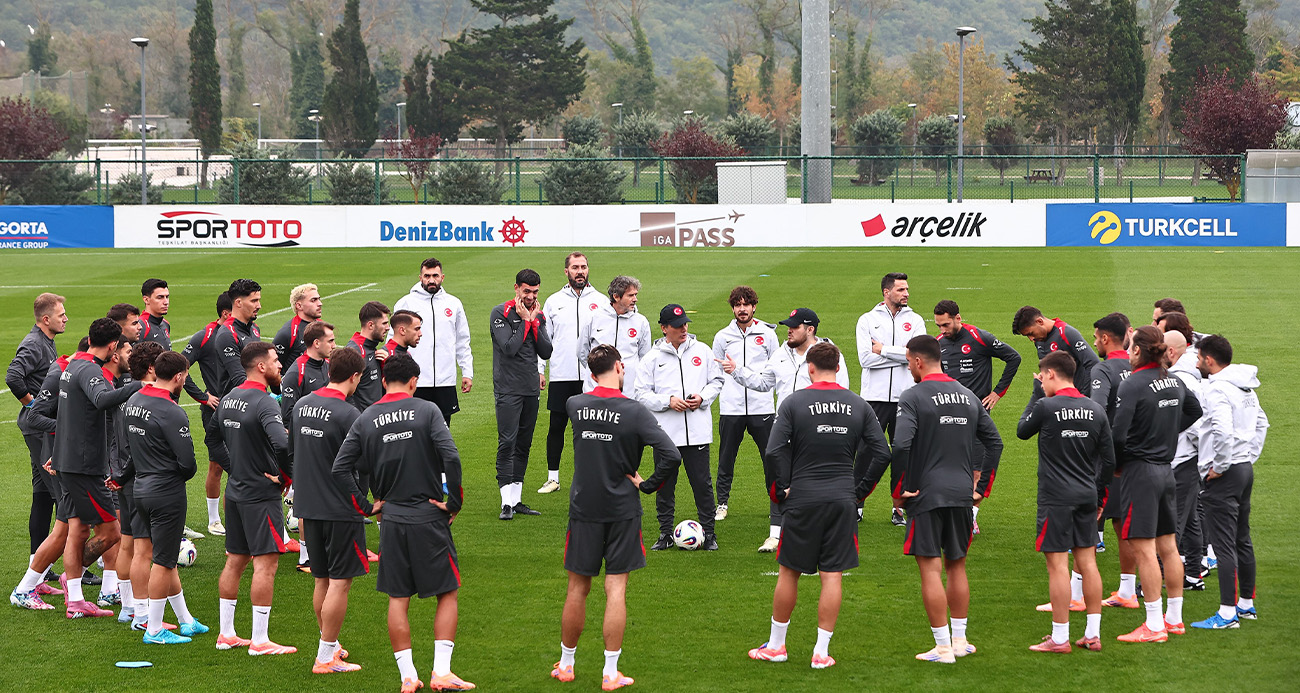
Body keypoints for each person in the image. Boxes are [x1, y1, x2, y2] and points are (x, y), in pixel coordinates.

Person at [332, 353, 472, 692]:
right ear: (414, 382)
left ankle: (408, 676)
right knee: (447, 592)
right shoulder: (427, 410)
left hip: (391, 519)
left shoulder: (366, 417)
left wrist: (367, 507)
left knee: (398, 598)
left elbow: (340, 468)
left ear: (382, 381)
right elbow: (451, 456)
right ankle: (441, 672)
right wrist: (454, 502)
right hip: (428, 517)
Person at [747, 342, 890, 669]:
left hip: (802, 498)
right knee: (832, 575)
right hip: (841, 499)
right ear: (838, 368)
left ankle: (777, 647)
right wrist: (859, 492)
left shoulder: (793, 402)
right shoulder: (859, 405)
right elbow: (882, 453)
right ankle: (821, 652)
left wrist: (780, 489)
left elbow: (772, 451)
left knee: (789, 572)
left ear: (810, 368)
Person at [861, 335, 1002, 664]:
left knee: (930, 570)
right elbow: (995, 443)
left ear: (918, 361)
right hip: (961, 495)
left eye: (909, 362)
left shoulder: (913, 396)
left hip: (925, 494)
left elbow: (901, 445)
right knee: (957, 566)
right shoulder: (968, 396)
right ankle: (961, 640)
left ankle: (941, 648)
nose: (909, 368)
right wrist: (981, 490)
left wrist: (900, 489)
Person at [551, 345, 681, 690]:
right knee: (616, 589)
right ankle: (610, 673)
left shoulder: (575, 405)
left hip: (584, 508)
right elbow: (670, 455)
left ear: (592, 374)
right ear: (620, 367)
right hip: (623, 509)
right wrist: (648, 485)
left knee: (577, 588)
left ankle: (566, 665)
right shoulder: (635, 412)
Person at [723, 307, 849, 552]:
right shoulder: (782, 353)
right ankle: (775, 534)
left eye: (794, 327)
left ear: (810, 329)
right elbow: (763, 382)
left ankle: (819, 530)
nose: (788, 331)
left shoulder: (828, 355)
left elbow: (841, 391)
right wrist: (736, 371)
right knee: (779, 477)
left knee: (815, 480)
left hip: (816, 430)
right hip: (784, 427)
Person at [1016, 351, 1114, 653]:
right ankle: (1093, 634)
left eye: (1041, 377)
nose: (1041, 382)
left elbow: (1022, 431)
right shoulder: (1095, 409)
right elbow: (1108, 461)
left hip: (1056, 498)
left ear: (1052, 374)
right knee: (1087, 562)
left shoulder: (1046, 406)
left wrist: (1035, 396)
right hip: (1086, 495)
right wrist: (1099, 497)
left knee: (1058, 565)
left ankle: (1060, 638)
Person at [1109, 326, 1202, 643]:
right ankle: (1173, 619)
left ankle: (1153, 625)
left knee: (1144, 549)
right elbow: (1194, 410)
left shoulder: (1132, 384)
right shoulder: (1172, 379)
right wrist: (1164, 431)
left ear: (1136, 351)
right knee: (1167, 545)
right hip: (1166, 470)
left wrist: (1117, 465)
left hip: (1141, 472)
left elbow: (1118, 436)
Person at [209, 341, 295, 655]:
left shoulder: (230, 398)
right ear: (261, 366)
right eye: (275, 361)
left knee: (235, 561)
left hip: (236, 493)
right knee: (265, 566)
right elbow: (282, 445)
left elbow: (212, 438)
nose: (280, 366)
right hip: (260, 496)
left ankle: (227, 634)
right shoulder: (264, 402)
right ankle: (259, 640)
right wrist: (286, 477)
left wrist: (236, 468)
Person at [53, 317, 142, 618]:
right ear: (113, 345)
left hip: (69, 460)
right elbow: (102, 399)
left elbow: (67, 413)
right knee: (112, 531)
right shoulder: (90, 369)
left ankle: (76, 599)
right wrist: (139, 385)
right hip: (84, 465)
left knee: (77, 527)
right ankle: (72, 578)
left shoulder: (73, 364)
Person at [123, 350, 207, 644]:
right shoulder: (172, 410)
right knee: (163, 560)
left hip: (140, 489)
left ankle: (185, 620)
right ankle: (155, 629)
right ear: (180, 376)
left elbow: (132, 450)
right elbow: (188, 464)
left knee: (159, 556)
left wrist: (123, 476)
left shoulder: (133, 401)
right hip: (166, 493)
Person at [288, 347, 365, 672]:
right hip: (339, 508)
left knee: (321, 579)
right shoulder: (350, 414)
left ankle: (329, 643)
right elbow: (361, 464)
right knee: (339, 582)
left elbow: (292, 450)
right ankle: (324, 657)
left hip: (308, 505)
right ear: (355, 376)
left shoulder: (303, 405)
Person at [1191, 335, 1268, 630]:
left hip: (1225, 473)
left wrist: (1219, 466)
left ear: (1210, 360)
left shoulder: (1217, 390)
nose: (1197, 363)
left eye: (1199, 358)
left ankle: (1226, 614)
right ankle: (1246, 605)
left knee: (1223, 544)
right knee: (1241, 539)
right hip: (1244, 468)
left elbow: (1222, 432)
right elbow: (1261, 422)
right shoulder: (1245, 385)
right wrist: (1248, 456)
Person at [634, 304, 724, 551]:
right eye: (677, 326)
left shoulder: (703, 351)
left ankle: (710, 534)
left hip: (697, 433)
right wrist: (667, 402)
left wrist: (702, 398)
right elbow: (641, 393)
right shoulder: (651, 358)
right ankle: (665, 534)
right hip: (665, 437)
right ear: (664, 328)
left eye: (685, 324)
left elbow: (716, 380)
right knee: (664, 487)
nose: (683, 328)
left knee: (702, 485)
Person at [934, 299, 1021, 534]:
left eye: (945, 325)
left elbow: (1014, 357)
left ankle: (970, 517)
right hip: (949, 415)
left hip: (977, 416)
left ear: (957, 318)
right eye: (938, 326)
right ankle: (952, 511)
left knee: (976, 469)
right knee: (950, 465)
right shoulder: (939, 344)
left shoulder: (979, 337)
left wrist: (997, 392)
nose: (942, 331)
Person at [856, 272, 926, 526]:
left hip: (906, 399)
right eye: (901, 290)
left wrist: (883, 349)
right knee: (865, 452)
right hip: (873, 399)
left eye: (907, 289)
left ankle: (899, 508)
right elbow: (865, 359)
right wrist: (903, 356)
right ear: (887, 292)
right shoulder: (867, 320)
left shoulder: (916, 320)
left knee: (903, 453)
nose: (906, 293)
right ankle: (856, 503)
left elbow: (918, 356)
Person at [540, 252, 608, 494]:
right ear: (566, 271)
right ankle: (553, 478)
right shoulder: (553, 301)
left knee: (592, 429)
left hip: (593, 376)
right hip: (562, 373)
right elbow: (543, 340)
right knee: (556, 426)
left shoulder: (601, 300)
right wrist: (541, 370)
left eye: (584, 267)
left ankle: (592, 478)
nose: (580, 271)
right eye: (575, 267)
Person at [711, 286, 778, 527]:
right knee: (726, 457)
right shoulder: (722, 336)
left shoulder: (768, 335)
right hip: (732, 407)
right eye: (737, 305)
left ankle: (776, 504)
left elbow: (774, 368)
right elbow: (716, 369)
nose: (742, 309)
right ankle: (722, 503)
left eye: (746, 304)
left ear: (754, 306)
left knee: (770, 457)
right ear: (732, 308)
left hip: (762, 406)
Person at [7, 292, 65, 569]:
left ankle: (39, 566)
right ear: (46, 319)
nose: (65, 318)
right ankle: (77, 569)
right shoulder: (34, 344)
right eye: (61, 315)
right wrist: (32, 407)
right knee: (62, 495)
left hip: (37, 428)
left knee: (42, 495)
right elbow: (13, 376)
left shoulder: (45, 342)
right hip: (39, 429)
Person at [490, 269, 553, 520]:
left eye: (535, 292)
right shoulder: (500, 313)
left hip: (529, 388)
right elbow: (508, 348)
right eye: (526, 291)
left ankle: (516, 500)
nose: (530, 296)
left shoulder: (539, 315)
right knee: (507, 442)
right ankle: (505, 503)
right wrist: (526, 321)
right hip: (507, 388)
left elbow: (546, 351)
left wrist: (535, 322)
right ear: (516, 288)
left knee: (524, 444)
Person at [1089, 313, 1138, 608]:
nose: (1094, 342)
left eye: (1096, 337)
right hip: (1135, 455)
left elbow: (1096, 409)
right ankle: (1127, 590)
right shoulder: (1139, 368)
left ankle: (1080, 595)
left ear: (1106, 339)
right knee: (1122, 525)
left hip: (1105, 456)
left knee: (1086, 521)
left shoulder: (1103, 369)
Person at [281, 320, 337, 573]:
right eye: (331, 341)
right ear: (316, 343)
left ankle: (322, 547)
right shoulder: (297, 372)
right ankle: (305, 556)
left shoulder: (327, 365)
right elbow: (288, 414)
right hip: (306, 445)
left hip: (326, 443)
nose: (334, 345)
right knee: (307, 502)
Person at [392, 257, 473, 427]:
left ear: (442, 277)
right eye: (427, 276)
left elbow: (462, 340)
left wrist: (467, 372)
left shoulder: (454, 303)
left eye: (435, 276)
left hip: (446, 380)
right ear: (420, 277)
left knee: (442, 429)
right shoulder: (405, 303)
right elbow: (393, 341)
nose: (431, 280)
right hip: (415, 380)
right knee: (414, 429)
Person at [181, 292, 235, 536]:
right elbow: (179, 365)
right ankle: (214, 520)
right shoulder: (205, 337)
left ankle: (238, 517)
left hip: (242, 408)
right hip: (215, 409)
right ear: (226, 313)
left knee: (244, 460)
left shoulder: (246, 332)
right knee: (217, 464)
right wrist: (203, 397)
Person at [1164, 331, 1207, 590]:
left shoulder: (1180, 379)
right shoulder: (1188, 373)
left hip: (1181, 460)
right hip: (1187, 459)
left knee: (1172, 525)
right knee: (1190, 519)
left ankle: (1155, 581)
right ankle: (1193, 574)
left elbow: (1196, 424)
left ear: (1170, 352)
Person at [577, 276, 651, 395]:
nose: (635, 299)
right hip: (595, 390)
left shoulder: (641, 322)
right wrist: (600, 370)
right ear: (616, 297)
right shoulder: (594, 318)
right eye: (630, 295)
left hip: (628, 392)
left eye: (635, 294)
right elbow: (582, 351)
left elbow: (645, 357)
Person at [1011, 306, 1099, 397]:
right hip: (1058, 400)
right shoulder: (1039, 341)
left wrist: (1083, 396)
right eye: (1027, 336)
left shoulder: (1067, 333)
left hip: (1076, 399)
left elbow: (1093, 363)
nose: (1031, 339)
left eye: (1031, 333)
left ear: (1039, 321)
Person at [213, 279, 265, 397]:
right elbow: (239, 378)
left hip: (253, 399)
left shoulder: (254, 329)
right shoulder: (227, 334)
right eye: (254, 301)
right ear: (238, 303)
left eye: (259, 300)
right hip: (235, 405)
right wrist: (267, 396)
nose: (259, 306)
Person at [345, 301, 390, 411]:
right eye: (384, 323)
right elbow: (345, 392)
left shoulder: (371, 348)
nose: (388, 328)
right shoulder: (355, 352)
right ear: (370, 325)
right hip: (364, 422)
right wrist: (358, 419)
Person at [273, 283, 323, 369]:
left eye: (319, 299)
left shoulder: (322, 326)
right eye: (313, 300)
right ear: (299, 306)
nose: (320, 303)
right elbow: (274, 367)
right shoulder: (288, 333)